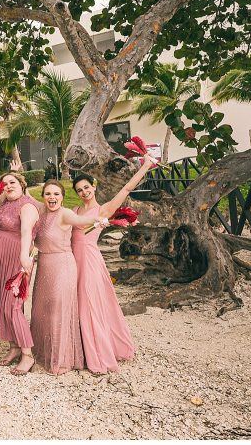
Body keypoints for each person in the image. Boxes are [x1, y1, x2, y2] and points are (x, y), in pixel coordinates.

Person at [71, 156, 155, 374]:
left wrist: (145, 166)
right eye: (79, 190)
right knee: (76, 302)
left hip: (89, 260)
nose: (84, 192)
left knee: (89, 303)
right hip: (73, 260)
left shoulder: (104, 210)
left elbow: (126, 189)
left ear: (93, 187)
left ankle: (98, 352)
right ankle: (80, 348)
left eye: (86, 187)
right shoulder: (75, 210)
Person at [29, 180, 104, 375]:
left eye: (56, 194)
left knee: (57, 311)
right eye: (48, 194)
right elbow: (25, 196)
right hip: (44, 266)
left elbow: (81, 220)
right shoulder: (41, 211)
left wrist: (99, 220)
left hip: (62, 265)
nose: (52, 197)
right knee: (41, 310)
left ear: (62, 197)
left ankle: (61, 360)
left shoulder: (66, 213)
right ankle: (44, 353)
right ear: (43, 197)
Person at [0, 172, 40, 375]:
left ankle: (27, 354)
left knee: (13, 306)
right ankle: (14, 346)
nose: (8, 186)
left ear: (22, 184)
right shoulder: (5, 202)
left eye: (12, 182)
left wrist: (24, 257)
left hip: (15, 259)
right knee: (1, 303)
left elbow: (26, 232)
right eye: (4, 183)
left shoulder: (27, 206)